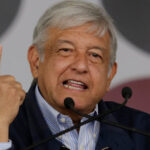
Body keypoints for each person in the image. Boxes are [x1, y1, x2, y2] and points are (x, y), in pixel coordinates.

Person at [0, 0, 150, 150]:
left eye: (94, 55)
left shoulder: (142, 132)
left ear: (110, 75)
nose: (81, 66)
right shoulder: (6, 123)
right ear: (36, 61)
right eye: (66, 50)